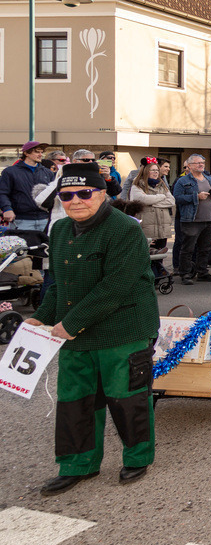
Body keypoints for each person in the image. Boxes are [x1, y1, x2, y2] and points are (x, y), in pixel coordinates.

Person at [26, 162, 159, 495]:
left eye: (84, 193)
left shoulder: (125, 229)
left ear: (102, 194)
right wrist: (41, 317)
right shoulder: (60, 230)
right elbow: (58, 284)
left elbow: (115, 287)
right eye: (67, 195)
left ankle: (137, 458)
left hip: (123, 328)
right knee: (75, 401)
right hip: (74, 333)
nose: (75, 201)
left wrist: (71, 324)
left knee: (127, 398)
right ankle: (77, 464)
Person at [172, 154, 211, 284]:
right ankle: (185, 274)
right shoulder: (182, 181)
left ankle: (202, 272)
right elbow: (176, 198)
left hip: (209, 219)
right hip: (192, 220)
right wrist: (196, 197)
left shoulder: (209, 179)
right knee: (188, 248)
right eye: (198, 163)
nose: (201, 165)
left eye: (202, 163)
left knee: (205, 248)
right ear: (189, 166)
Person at [128, 158, 174, 274]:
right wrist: (161, 197)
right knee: (147, 255)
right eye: (153, 170)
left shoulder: (162, 185)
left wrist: (152, 203)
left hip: (162, 226)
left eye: (157, 170)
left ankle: (158, 276)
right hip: (147, 226)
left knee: (160, 254)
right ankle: (147, 276)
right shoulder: (137, 185)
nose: (156, 173)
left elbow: (171, 201)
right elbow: (142, 199)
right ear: (146, 171)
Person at [0, 141, 55, 231]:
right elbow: (2, 193)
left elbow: (53, 195)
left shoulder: (48, 173)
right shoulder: (10, 172)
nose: (40, 155)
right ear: (26, 153)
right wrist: (7, 209)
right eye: (37, 152)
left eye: (41, 152)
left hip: (45, 219)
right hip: (21, 219)